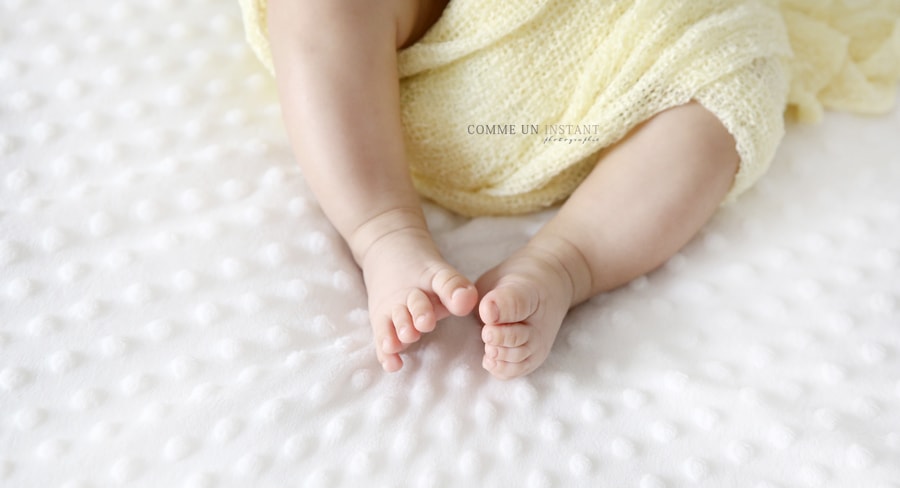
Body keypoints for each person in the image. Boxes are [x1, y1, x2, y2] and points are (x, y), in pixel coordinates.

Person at [240, 0, 900, 379]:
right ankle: (383, 228)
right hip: (437, 24)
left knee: (737, 85)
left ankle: (567, 260)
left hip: (619, 36)